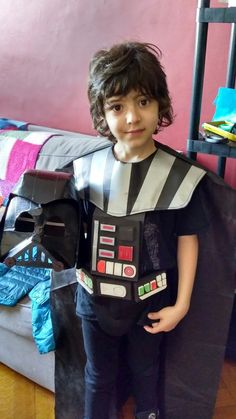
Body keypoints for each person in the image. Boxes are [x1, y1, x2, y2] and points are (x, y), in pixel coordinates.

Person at [73, 41, 209, 419]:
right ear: (103, 113)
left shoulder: (180, 177)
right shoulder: (84, 172)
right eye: (117, 106)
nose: (132, 117)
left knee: (146, 373)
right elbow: (72, 236)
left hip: (151, 300)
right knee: (98, 377)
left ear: (159, 105)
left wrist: (180, 305)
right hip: (93, 299)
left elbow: (188, 239)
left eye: (143, 102)